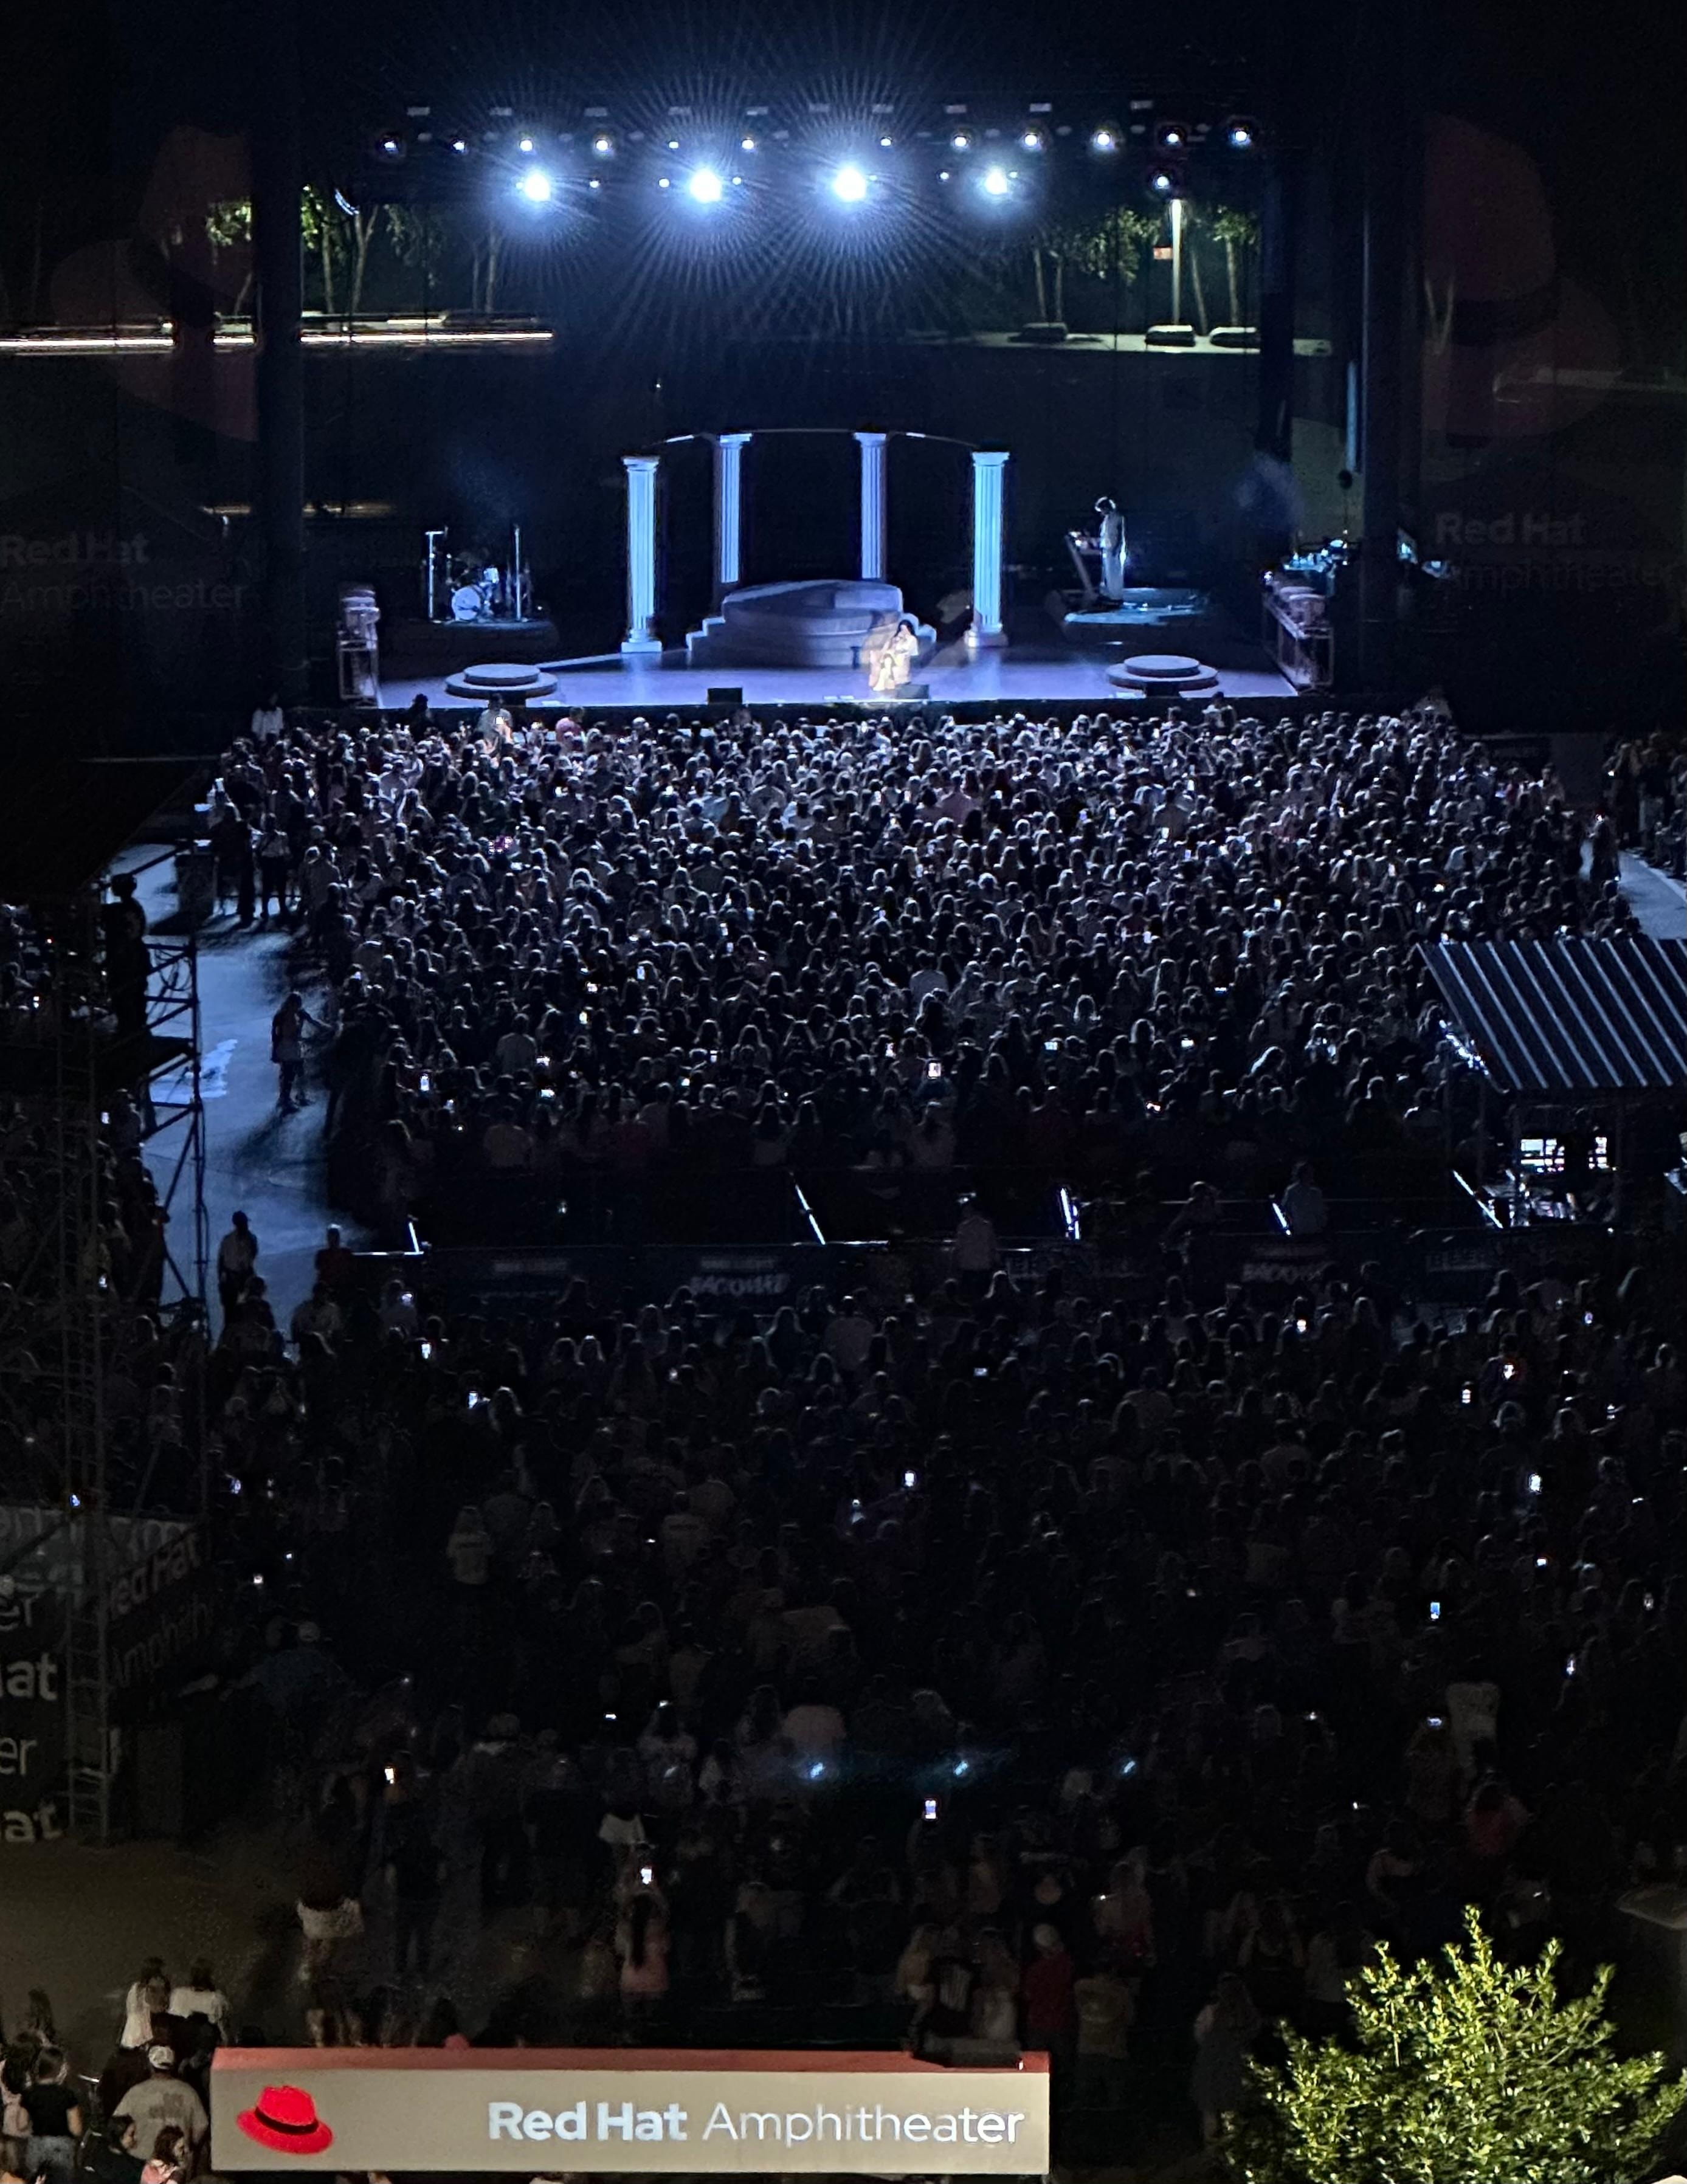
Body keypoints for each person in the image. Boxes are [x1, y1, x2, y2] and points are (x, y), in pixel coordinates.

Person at [111, 2051, 206, 2167]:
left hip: (141, 2162)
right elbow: (202, 2125)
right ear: (172, 2067)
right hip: (176, 2163)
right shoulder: (188, 2092)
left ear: (150, 2066)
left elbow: (117, 2123)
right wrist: (186, 2145)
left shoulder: (136, 2092)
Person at [19, 2050, 83, 2184]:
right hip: (61, 2147)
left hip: (36, 2146)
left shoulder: (29, 2093)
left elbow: (21, 2124)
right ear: (60, 2070)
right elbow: (76, 2129)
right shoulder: (68, 2095)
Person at [271, 989, 326, 1112]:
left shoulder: (300, 1013)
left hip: (295, 1046)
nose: (299, 1005)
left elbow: (313, 1021)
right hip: (286, 1047)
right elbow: (276, 1036)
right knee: (287, 1074)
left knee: (299, 1071)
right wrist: (275, 1051)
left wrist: (327, 1028)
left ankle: (299, 1096)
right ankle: (285, 1100)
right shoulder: (281, 1016)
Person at [215, 1213, 258, 1326]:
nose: (246, 1226)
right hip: (231, 1278)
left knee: (249, 1312)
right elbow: (221, 1261)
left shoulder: (251, 1239)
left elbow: (252, 1256)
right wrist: (221, 1280)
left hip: (245, 1277)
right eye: (244, 1224)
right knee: (229, 1314)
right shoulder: (228, 1241)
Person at [1095, 497, 1128, 601]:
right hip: (1107, 549)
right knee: (1108, 573)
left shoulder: (1117, 518)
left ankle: (1116, 596)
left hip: (1114, 550)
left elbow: (1120, 535)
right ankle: (1110, 594)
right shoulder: (1106, 520)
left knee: (1115, 573)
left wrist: (1116, 549)